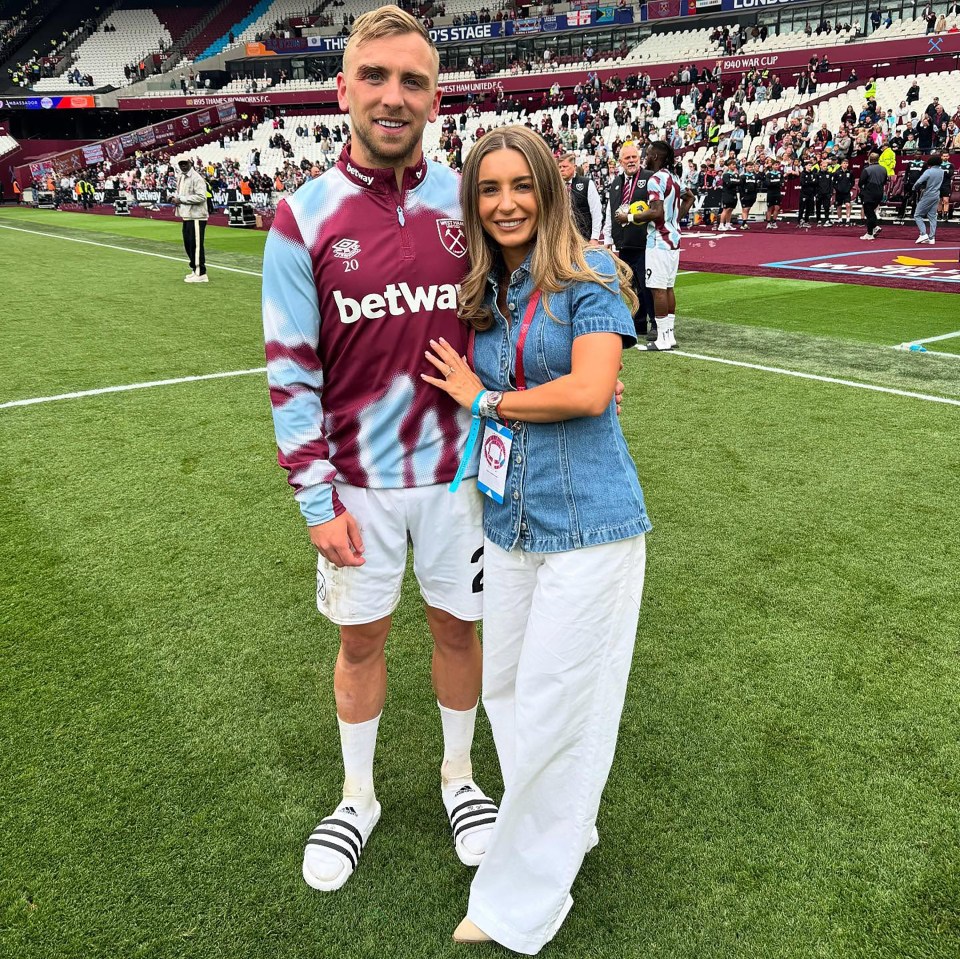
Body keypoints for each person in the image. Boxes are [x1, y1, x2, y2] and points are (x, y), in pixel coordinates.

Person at [261, 5, 497, 894]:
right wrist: (315, 502)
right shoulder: (303, 216)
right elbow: (292, 371)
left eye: (413, 81)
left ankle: (458, 777)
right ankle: (357, 794)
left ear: (436, 99)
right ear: (343, 89)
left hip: (461, 478)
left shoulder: (469, 203)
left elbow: (522, 303)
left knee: (455, 626)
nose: (393, 97)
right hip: (358, 486)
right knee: (360, 640)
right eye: (376, 77)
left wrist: (589, 363)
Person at [421, 123, 651, 954]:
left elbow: (591, 391)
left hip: (592, 523)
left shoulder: (585, 274)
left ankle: (518, 899)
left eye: (522, 184)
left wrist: (484, 399)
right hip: (511, 518)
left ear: (549, 189)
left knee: (558, 706)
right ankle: (561, 828)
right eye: (489, 189)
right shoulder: (487, 288)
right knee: (508, 694)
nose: (507, 201)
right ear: (473, 203)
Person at [633, 141, 694, 352]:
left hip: (659, 241)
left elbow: (656, 212)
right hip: (673, 240)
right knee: (668, 288)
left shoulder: (655, 179)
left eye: (648, 154)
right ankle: (669, 336)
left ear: (656, 157)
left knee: (658, 290)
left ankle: (661, 339)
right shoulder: (674, 178)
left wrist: (629, 216)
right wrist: (675, 218)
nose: (645, 157)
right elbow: (690, 196)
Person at [603, 140, 656, 343]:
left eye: (634, 157)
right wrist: (607, 239)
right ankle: (639, 321)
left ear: (639, 159)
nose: (631, 161)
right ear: (620, 161)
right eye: (627, 158)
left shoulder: (649, 178)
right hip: (624, 243)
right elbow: (610, 212)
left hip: (645, 242)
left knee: (647, 284)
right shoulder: (616, 183)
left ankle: (655, 322)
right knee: (632, 285)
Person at [175, 159, 210, 282]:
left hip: (197, 216)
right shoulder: (181, 177)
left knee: (196, 245)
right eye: (181, 164)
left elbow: (201, 197)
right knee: (189, 244)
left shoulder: (197, 178)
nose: (183, 166)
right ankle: (195, 269)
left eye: (185, 163)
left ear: (191, 164)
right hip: (187, 215)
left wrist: (181, 199)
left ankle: (201, 273)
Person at [557, 153, 602, 244]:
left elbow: (596, 211)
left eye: (565, 166)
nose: (561, 169)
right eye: (560, 167)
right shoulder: (555, 186)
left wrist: (595, 237)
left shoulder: (587, 183)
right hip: (562, 238)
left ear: (574, 167)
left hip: (583, 236)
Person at [913, 154, 945, 245]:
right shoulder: (942, 171)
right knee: (932, 216)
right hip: (936, 194)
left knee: (917, 215)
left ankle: (923, 234)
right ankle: (932, 237)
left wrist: (914, 188)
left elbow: (919, 181)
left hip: (928, 194)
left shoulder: (928, 171)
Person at [858, 151, 887, 240]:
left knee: (869, 212)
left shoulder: (867, 169)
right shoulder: (884, 169)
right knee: (871, 212)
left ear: (869, 159)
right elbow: (885, 181)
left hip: (869, 193)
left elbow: (860, 183)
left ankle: (873, 229)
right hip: (879, 192)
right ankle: (870, 231)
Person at [763, 160, 783, 228]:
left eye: (777, 165)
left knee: (777, 208)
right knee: (769, 208)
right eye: (775, 165)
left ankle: (774, 221)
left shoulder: (780, 174)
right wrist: (776, 183)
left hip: (777, 192)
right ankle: (768, 222)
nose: (776, 166)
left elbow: (781, 183)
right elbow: (768, 184)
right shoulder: (769, 174)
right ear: (772, 166)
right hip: (770, 192)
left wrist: (774, 183)